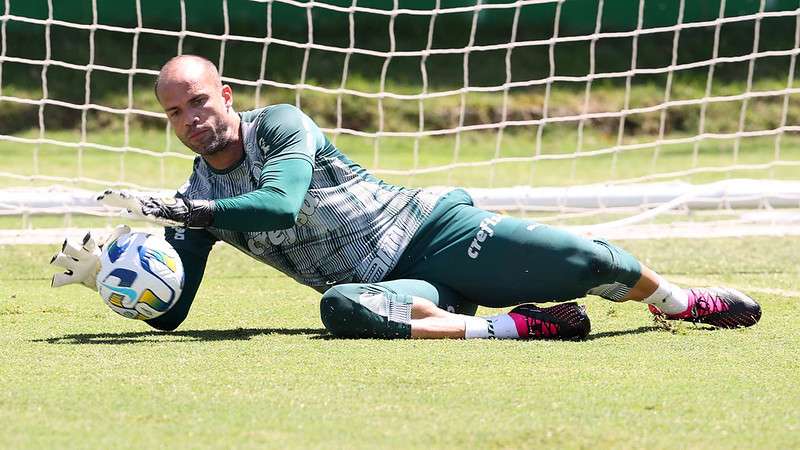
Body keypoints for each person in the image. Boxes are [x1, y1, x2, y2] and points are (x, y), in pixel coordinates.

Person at [51, 55, 761, 339]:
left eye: (199, 102)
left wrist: (188, 214)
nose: (191, 119)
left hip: (431, 232)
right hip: (396, 284)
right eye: (175, 113)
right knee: (344, 312)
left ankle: (678, 299)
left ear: (226, 95)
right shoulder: (198, 194)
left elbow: (279, 204)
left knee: (581, 256)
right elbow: (172, 311)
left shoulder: (283, 125)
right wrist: (111, 283)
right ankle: (527, 328)